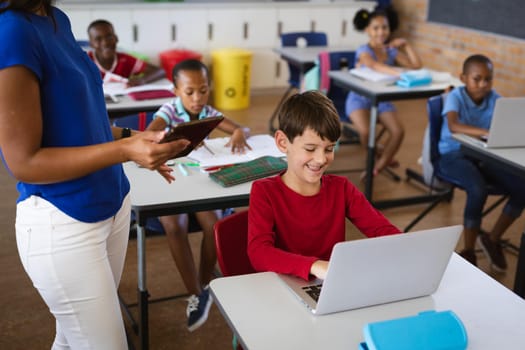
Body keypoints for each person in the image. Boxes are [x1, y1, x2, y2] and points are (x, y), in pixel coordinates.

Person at [0, 1, 190, 348]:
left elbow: (86, 122)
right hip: (64, 223)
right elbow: (23, 162)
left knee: (72, 340)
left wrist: (135, 138)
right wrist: (125, 151)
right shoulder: (11, 31)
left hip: (112, 205)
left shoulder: (55, 18)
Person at [247, 91, 401, 281]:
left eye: (329, 149)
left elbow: (381, 230)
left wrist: (406, 246)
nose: (321, 159)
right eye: (310, 149)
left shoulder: (341, 188)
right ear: (282, 142)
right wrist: (314, 266)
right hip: (283, 287)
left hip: (330, 286)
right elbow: (259, 254)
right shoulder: (265, 192)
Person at [146, 59, 251, 331]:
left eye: (203, 90)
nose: (196, 98)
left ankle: (204, 285)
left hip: (198, 179)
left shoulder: (207, 111)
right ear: (176, 90)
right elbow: (149, 136)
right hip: (169, 180)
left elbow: (240, 127)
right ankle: (195, 293)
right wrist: (173, 138)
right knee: (175, 224)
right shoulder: (169, 110)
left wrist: (239, 132)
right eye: (189, 92)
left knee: (214, 225)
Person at [438, 54, 525, 271]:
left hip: (483, 155)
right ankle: (468, 251)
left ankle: (492, 238)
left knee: (522, 188)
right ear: (463, 78)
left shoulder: (496, 99)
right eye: (477, 79)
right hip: (452, 155)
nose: (483, 85)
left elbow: (509, 125)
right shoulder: (455, 96)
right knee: (477, 189)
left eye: (488, 79)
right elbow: (454, 126)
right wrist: (486, 132)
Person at [346, 8, 422, 180]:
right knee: (366, 133)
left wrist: (406, 46)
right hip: (359, 99)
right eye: (376, 28)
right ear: (367, 30)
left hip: (382, 101)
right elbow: (372, 65)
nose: (381, 32)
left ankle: (376, 168)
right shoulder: (363, 50)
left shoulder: (391, 51)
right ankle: (378, 155)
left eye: (385, 28)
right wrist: (398, 73)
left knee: (398, 131)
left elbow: (416, 66)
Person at [87, 19, 166, 86]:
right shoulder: (85, 61)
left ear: (116, 38)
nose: (105, 43)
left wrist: (142, 80)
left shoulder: (124, 59)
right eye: (98, 39)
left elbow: (161, 71)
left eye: (109, 37)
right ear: (91, 44)